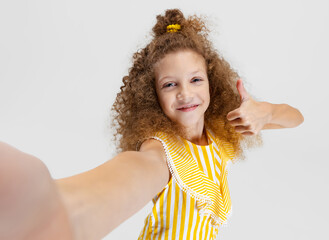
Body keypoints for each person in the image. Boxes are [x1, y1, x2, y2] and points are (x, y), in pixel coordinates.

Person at [0, 8, 303, 240]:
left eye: (196, 80)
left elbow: (296, 118)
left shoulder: (221, 133)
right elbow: (136, 171)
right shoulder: (161, 149)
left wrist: (265, 111)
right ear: (152, 95)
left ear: (213, 83)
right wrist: (61, 209)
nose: (186, 93)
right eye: (170, 85)